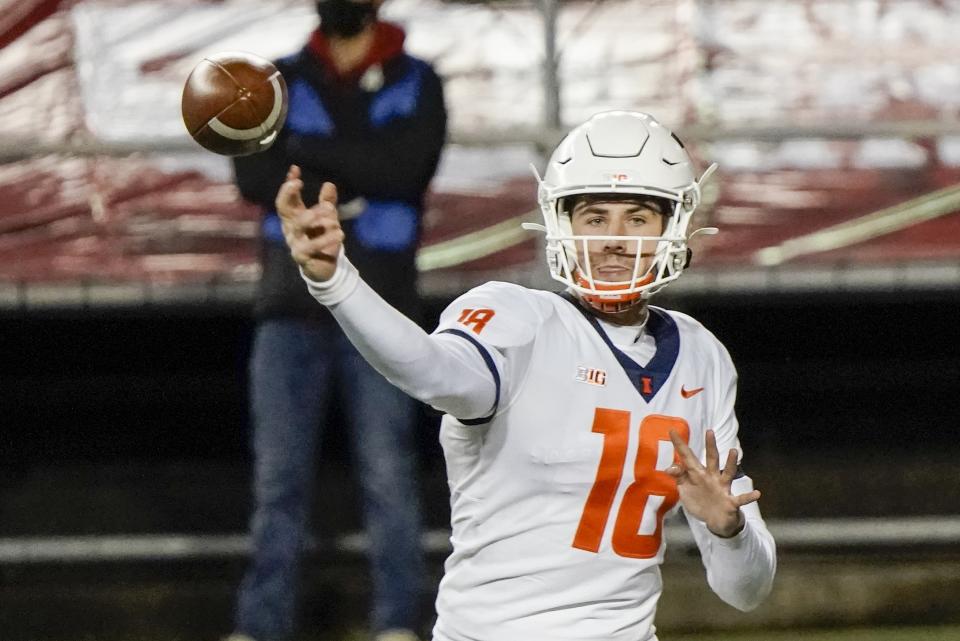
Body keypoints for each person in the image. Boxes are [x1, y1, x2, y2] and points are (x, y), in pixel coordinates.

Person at [275, 111, 776, 641]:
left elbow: (745, 591)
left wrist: (730, 530)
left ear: (672, 226)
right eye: (594, 216)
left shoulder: (701, 354)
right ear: (562, 222)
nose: (613, 238)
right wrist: (336, 282)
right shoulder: (517, 319)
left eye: (637, 217)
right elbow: (430, 369)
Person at [225, 0, 446, 639]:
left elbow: (409, 172)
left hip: (382, 309)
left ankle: (398, 624)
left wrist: (305, 148)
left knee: (389, 473)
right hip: (288, 307)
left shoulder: (418, 78)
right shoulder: (274, 81)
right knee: (277, 481)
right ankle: (260, 627)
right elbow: (253, 176)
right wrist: (361, 162)